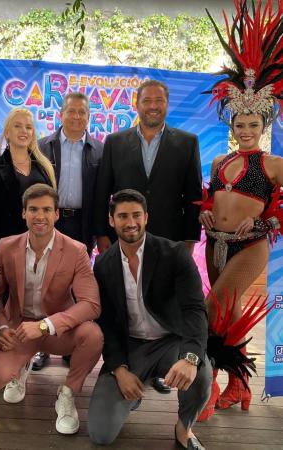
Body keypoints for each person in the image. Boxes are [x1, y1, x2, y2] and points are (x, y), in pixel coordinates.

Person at [197, 0, 283, 421]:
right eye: (239, 124)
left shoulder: (273, 164)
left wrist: (267, 220)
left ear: (264, 126)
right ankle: (240, 385)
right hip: (216, 244)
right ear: (231, 127)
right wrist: (204, 214)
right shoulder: (218, 162)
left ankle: (207, 385)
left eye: (253, 125)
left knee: (211, 309)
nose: (246, 131)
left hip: (251, 246)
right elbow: (212, 200)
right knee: (229, 315)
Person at [88, 189, 210, 450]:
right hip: (130, 348)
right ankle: (134, 391)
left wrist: (190, 358)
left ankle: (184, 428)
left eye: (136, 215)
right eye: (123, 216)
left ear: (146, 217)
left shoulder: (174, 254)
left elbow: (194, 309)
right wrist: (119, 369)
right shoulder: (103, 265)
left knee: (199, 372)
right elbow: (106, 324)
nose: (130, 222)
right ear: (111, 220)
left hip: (171, 341)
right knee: (100, 434)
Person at [0, 183, 103, 435]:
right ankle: (21, 365)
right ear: (23, 213)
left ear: (57, 214)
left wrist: (45, 325)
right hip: (18, 328)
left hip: (57, 329)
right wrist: (1, 327)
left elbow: (91, 304)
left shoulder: (76, 250)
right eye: (34, 209)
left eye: (47, 210)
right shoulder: (6, 246)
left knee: (92, 335)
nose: (40, 216)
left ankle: (67, 393)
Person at [94, 79, 202, 255]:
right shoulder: (114, 142)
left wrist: (190, 239)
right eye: (147, 101)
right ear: (137, 105)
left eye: (159, 100)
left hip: (170, 240)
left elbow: (194, 196)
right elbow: (102, 193)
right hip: (123, 237)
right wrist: (101, 234)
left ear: (167, 104)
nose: (153, 106)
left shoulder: (188, 143)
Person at [35, 92, 103, 371]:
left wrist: (98, 232)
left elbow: (102, 194)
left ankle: (68, 344)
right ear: (60, 115)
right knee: (44, 282)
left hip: (82, 225)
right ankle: (41, 345)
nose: (76, 116)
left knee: (75, 287)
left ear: (89, 117)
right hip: (50, 222)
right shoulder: (43, 146)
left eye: (82, 112)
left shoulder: (99, 150)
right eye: (71, 111)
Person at [0, 108, 57, 252]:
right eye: (17, 126)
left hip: (41, 245)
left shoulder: (45, 167)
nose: (24, 131)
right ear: (7, 133)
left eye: (28, 127)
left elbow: (51, 208)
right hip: (7, 246)